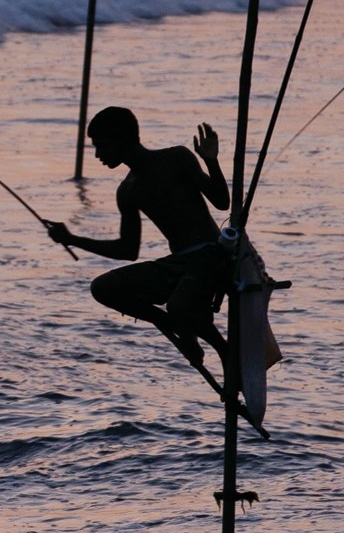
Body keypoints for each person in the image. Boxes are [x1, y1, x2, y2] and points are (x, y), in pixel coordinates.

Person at [46, 107, 232, 369]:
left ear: (121, 139)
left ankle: (224, 351)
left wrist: (211, 160)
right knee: (103, 287)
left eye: (101, 146)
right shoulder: (128, 190)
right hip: (178, 264)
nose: (98, 155)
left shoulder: (177, 157)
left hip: (211, 255)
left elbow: (222, 202)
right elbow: (128, 250)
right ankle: (173, 326)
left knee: (179, 307)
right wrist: (73, 239)